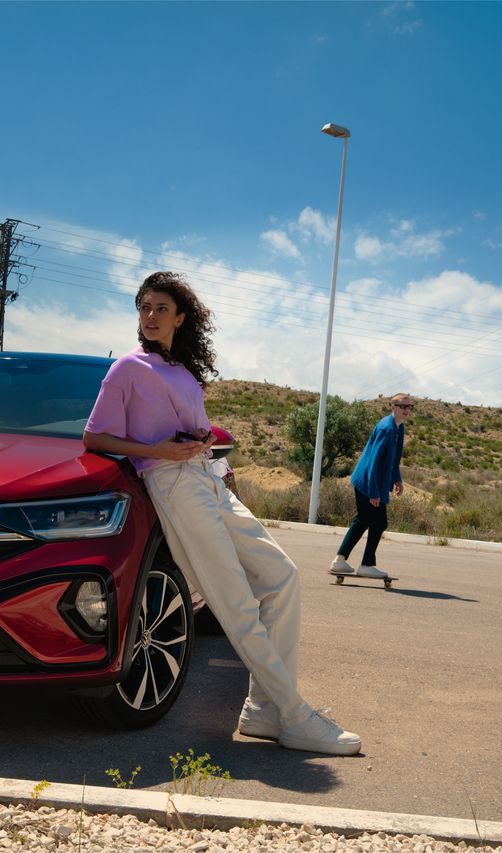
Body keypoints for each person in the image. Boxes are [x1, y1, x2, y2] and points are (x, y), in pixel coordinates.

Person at [85, 271, 361, 756]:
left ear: (181, 317)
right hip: (172, 484)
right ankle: (296, 716)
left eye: (160, 308)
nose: (150, 316)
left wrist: (201, 440)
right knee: (235, 603)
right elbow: (96, 438)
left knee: (283, 577)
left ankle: (261, 711)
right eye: (144, 307)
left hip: (207, 478)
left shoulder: (183, 371)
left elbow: (189, 429)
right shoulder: (127, 369)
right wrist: (159, 451)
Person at [329, 393, 413, 578]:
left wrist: (397, 479)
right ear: (393, 406)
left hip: (370, 481)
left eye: (409, 406)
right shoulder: (387, 429)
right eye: (403, 406)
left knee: (363, 520)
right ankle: (366, 564)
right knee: (379, 522)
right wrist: (373, 492)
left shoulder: (399, 427)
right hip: (369, 481)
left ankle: (340, 561)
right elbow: (375, 461)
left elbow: (394, 459)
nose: (407, 410)